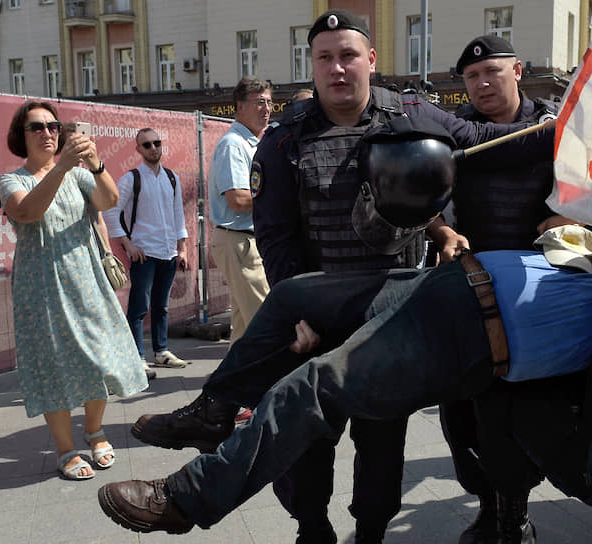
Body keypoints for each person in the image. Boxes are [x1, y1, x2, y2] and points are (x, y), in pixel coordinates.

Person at [126, 10, 553, 543]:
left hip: (394, 315)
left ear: (370, 60)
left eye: (348, 55)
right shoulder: (284, 139)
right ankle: (312, 528)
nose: (337, 68)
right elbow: (276, 234)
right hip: (314, 315)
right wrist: (299, 313)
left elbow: (495, 141)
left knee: (381, 451)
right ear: (313, 65)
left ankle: (369, 531)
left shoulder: (414, 114)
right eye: (325, 57)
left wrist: (583, 122)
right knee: (304, 449)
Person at [96, 225, 592, 536]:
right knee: (293, 295)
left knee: (315, 385)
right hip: (448, 280)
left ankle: (188, 500)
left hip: (470, 336)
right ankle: (214, 412)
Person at [432, 35, 574, 544]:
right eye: (472, 76)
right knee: (462, 415)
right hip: (468, 292)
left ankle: (514, 513)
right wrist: (441, 228)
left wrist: (568, 215)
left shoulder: (555, 128)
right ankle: (488, 505)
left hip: (537, 296)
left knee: (518, 413)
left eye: (492, 71)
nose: (483, 82)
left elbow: (588, 187)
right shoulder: (455, 137)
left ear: (518, 70)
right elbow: (433, 195)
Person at [0, 102, 148, 481]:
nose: (47, 132)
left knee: (101, 357)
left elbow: (110, 200)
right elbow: (27, 212)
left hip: (86, 280)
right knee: (53, 367)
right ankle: (65, 449)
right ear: (22, 136)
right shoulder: (11, 180)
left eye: (52, 126)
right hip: (40, 286)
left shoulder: (79, 176)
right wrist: (62, 166)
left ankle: (94, 430)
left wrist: (95, 164)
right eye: (36, 127)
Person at [102, 128, 190, 369]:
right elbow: (110, 211)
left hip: (168, 252)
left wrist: (182, 248)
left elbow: (177, 214)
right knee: (139, 307)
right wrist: (128, 244)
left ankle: (161, 351)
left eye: (156, 143)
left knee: (161, 305)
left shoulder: (172, 177)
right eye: (147, 145)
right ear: (138, 149)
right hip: (144, 253)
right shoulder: (131, 179)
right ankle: (136, 357)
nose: (153, 148)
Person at [208, 77, 272, 343]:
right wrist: (277, 200)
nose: (267, 109)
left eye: (269, 102)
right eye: (259, 102)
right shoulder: (233, 144)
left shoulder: (250, 144)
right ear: (239, 106)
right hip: (240, 241)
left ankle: (231, 382)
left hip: (244, 242)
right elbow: (237, 199)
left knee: (245, 328)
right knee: (268, 320)